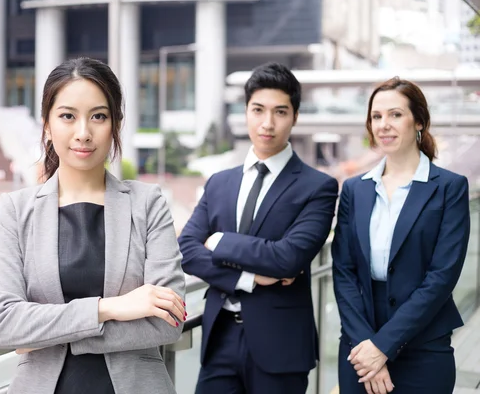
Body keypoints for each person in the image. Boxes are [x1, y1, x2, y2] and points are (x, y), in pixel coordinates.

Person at [0, 57, 186, 394]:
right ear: (47, 126)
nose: (83, 133)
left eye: (98, 117)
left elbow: (168, 322)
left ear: (115, 125)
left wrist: (48, 335)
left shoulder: (148, 203)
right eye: (67, 116)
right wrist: (110, 308)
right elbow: (4, 324)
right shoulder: (15, 211)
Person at [178, 62, 338, 394]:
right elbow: (188, 250)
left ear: (295, 116)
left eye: (280, 112)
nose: (268, 123)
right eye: (258, 110)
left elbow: (287, 259)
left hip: (281, 347)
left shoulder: (318, 186)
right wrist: (247, 278)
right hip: (219, 338)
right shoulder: (220, 182)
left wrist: (220, 241)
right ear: (246, 112)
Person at [332, 77, 470, 394]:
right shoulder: (355, 189)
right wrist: (367, 346)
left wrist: (383, 346)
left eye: (395, 114)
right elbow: (343, 270)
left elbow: (442, 276)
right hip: (359, 345)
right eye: (376, 116)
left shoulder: (449, 187)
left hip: (423, 345)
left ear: (419, 121)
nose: (384, 125)